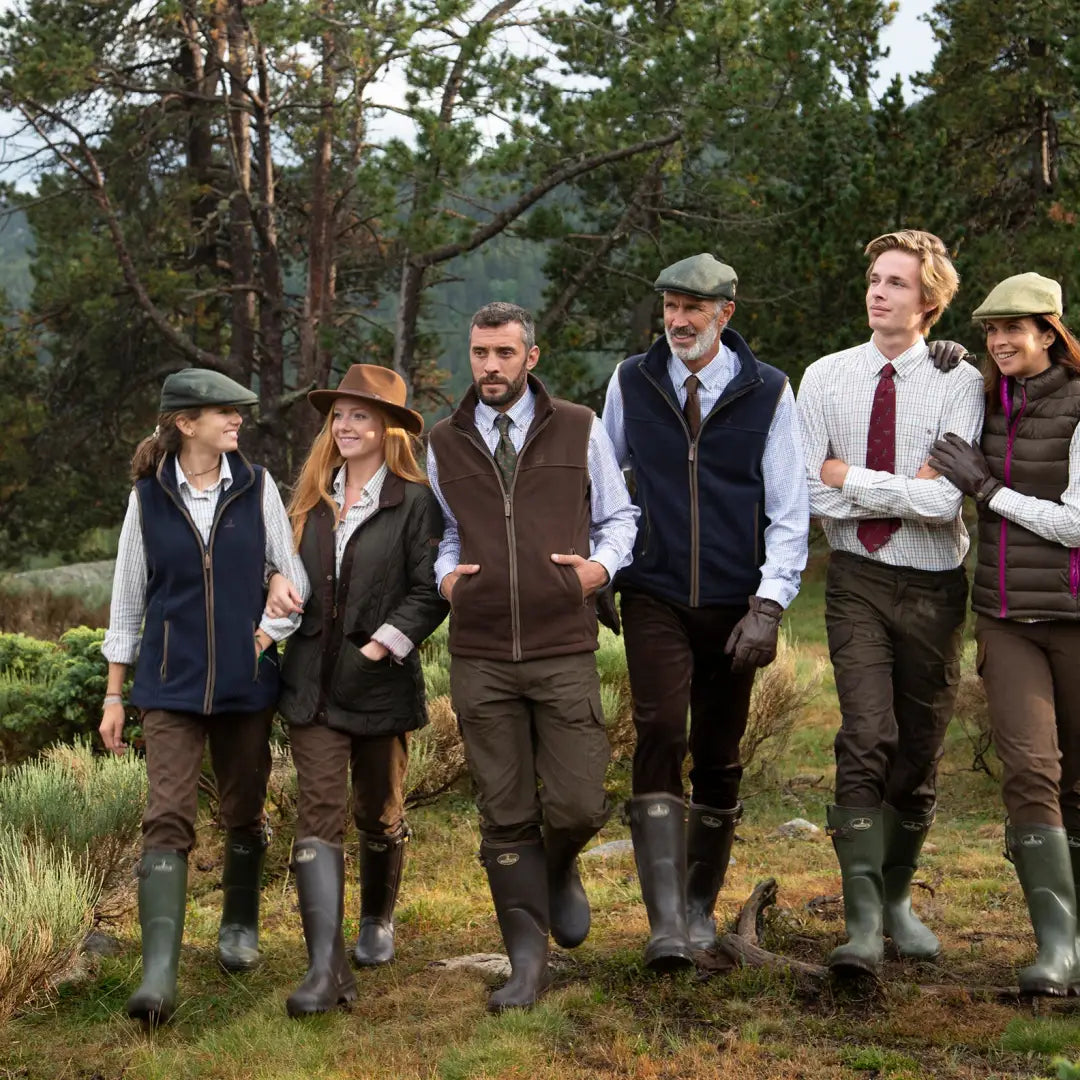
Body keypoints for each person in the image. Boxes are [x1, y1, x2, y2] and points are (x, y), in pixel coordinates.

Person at [426, 301, 638, 1011]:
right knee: (503, 810)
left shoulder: (580, 427)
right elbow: (444, 531)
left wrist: (598, 571)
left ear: (530, 357)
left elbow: (619, 516)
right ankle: (526, 964)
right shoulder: (444, 441)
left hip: (562, 644)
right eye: (480, 353)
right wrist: (447, 580)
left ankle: (559, 862)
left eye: (504, 353)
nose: (490, 367)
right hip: (480, 652)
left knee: (579, 802)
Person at [601, 253, 809, 969]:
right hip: (652, 589)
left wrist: (770, 605)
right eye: (670, 307)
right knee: (660, 729)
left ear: (726, 314)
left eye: (693, 308)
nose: (679, 321)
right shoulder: (631, 380)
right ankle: (664, 922)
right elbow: (607, 480)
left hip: (734, 603)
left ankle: (697, 907)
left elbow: (789, 509)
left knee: (719, 754)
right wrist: (604, 564)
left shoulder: (768, 391)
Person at [796, 230, 984, 977]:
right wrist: (888, 486)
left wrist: (849, 476)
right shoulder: (825, 377)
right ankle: (863, 921)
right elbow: (809, 490)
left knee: (919, 748)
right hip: (858, 579)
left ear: (929, 302)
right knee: (865, 735)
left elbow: (943, 504)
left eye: (897, 283)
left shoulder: (958, 381)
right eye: (875, 279)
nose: (878, 292)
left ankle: (899, 897)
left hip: (935, 587)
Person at [99, 369, 306, 1024]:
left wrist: (262, 636)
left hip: (247, 687)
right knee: (167, 816)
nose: (237, 420)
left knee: (243, 810)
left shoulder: (258, 487)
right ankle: (158, 976)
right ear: (186, 423)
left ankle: (239, 925)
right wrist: (114, 695)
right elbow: (127, 600)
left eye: (239, 411)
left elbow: (294, 580)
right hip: (168, 686)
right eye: (224, 412)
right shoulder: (147, 499)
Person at [268, 364, 448, 1018]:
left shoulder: (416, 502)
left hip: (378, 683)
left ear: (389, 428)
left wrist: (381, 645)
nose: (345, 426)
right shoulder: (309, 499)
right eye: (339, 416)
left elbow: (431, 590)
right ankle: (325, 967)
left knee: (378, 810)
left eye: (360, 416)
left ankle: (377, 917)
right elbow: (282, 573)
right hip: (309, 686)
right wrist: (273, 584)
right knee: (317, 816)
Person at [929, 273, 1080, 996]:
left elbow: (1076, 524)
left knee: (1077, 780)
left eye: (1013, 329)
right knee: (1029, 769)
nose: (999, 341)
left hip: (1076, 616)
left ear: (1049, 331)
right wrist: (945, 356)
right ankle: (1057, 947)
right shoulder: (986, 397)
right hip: (1006, 617)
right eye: (989, 331)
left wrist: (987, 490)